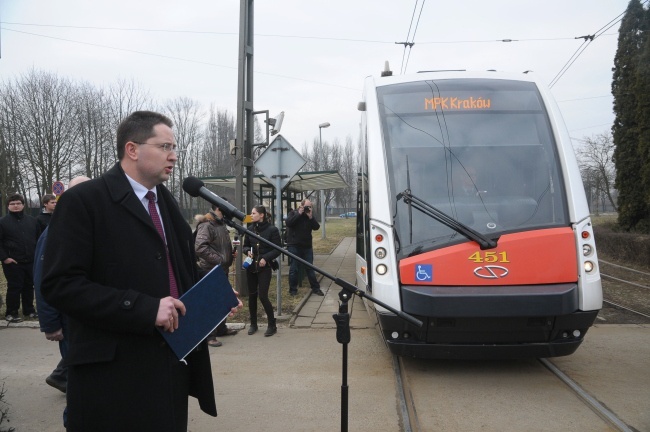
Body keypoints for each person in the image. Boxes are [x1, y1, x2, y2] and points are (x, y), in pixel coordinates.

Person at [42, 110, 239, 432]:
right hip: (112, 375)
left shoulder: (165, 201)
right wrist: (145, 309)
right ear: (132, 149)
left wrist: (214, 296)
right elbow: (60, 285)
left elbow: (180, 269)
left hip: (169, 364)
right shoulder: (84, 201)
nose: (173, 156)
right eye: (164, 147)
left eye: (174, 148)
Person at [34, 177, 90, 397]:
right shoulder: (55, 232)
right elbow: (43, 281)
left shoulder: (84, 224)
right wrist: (50, 323)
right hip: (67, 319)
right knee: (78, 381)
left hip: (86, 316)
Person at [194, 203, 238, 348]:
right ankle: (209, 336)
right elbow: (200, 247)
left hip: (222, 269)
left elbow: (220, 245)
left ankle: (221, 328)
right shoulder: (207, 225)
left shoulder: (221, 224)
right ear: (219, 208)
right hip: (210, 270)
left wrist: (230, 254)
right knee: (211, 302)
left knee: (223, 300)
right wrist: (219, 259)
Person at [0, 193, 40, 323]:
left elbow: (38, 239)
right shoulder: (3, 222)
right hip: (12, 262)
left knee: (29, 286)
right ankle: (11, 312)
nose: (15, 206)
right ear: (8, 206)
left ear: (23, 205)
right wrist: (5, 258)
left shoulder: (32, 221)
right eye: (12, 204)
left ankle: (29, 310)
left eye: (18, 203)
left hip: (30, 260)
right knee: (15, 287)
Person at [242, 205, 281, 337]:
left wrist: (266, 258)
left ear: (261, 215)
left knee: (263, 295)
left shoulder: (272, 230)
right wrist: (247, 251)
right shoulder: (250, 229)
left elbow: (277, 249)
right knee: (252, 295)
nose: (251, 215)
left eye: (253, 213)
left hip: (265, 268)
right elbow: (245, 245)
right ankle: (253, 324)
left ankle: (272, 324)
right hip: (251, 267)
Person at [285, 198, 324, 296]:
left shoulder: (309, 216)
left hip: (306, 246)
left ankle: (316, 288)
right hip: (294, 245)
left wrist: (311, 217)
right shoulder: (293, 213)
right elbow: (289, 223)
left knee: (310, 267)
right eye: (306, 206)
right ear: (301, 206)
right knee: (294, 268)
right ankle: (293, 290)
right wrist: (299, 213)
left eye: (310, 207)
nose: (308, 208)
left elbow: (316, 227)